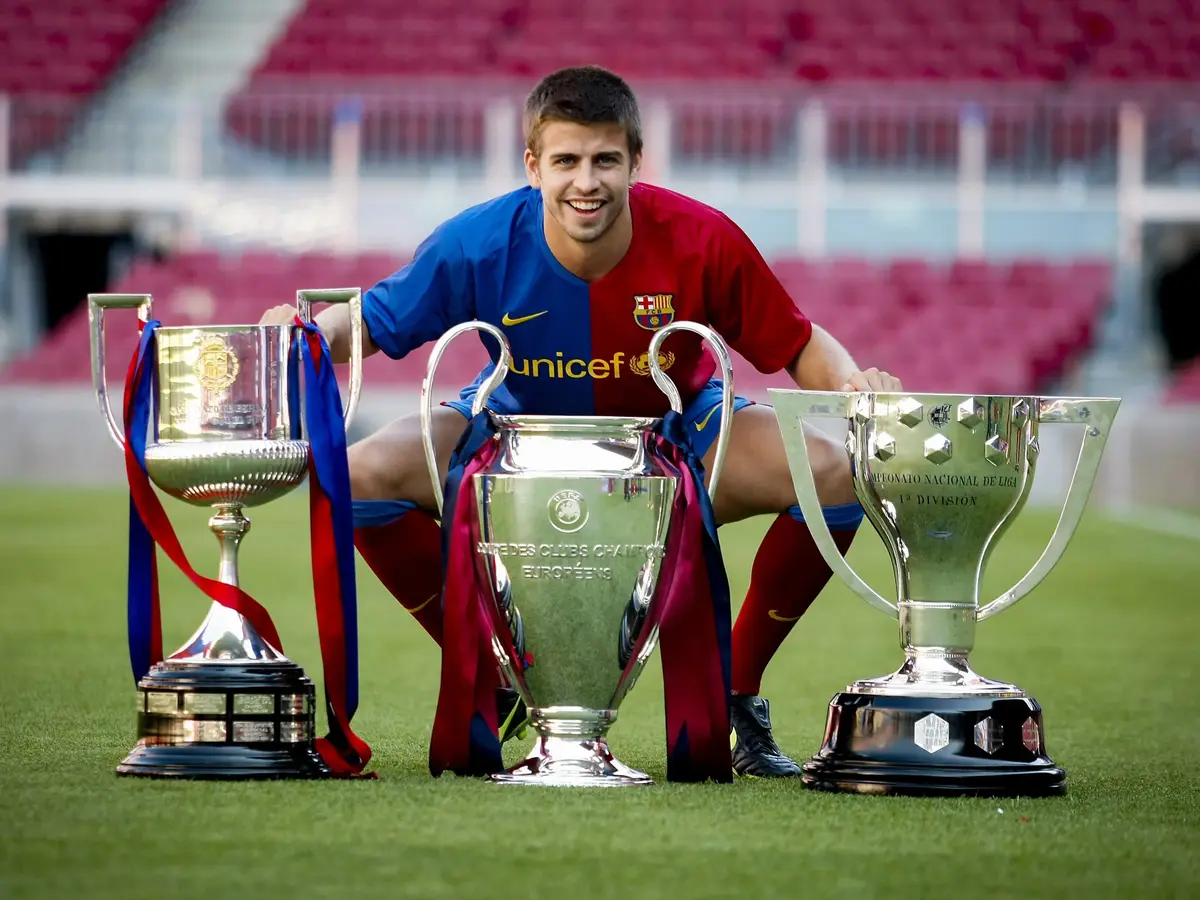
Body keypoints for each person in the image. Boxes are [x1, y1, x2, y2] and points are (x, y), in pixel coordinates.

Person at [260, 65, 902, 778]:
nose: (585, 182)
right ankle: (495, 677)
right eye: (566, 160)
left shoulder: (702, 236)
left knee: (835, 476)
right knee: (360, 476)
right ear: (533, 166)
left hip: (676, 440)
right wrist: (304, 332)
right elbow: (373, 322)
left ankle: (736, 698)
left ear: (635, 162)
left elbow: (799, 343)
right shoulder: (476, 242)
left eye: (604, 160)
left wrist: (853, 386)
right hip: (510, 439)